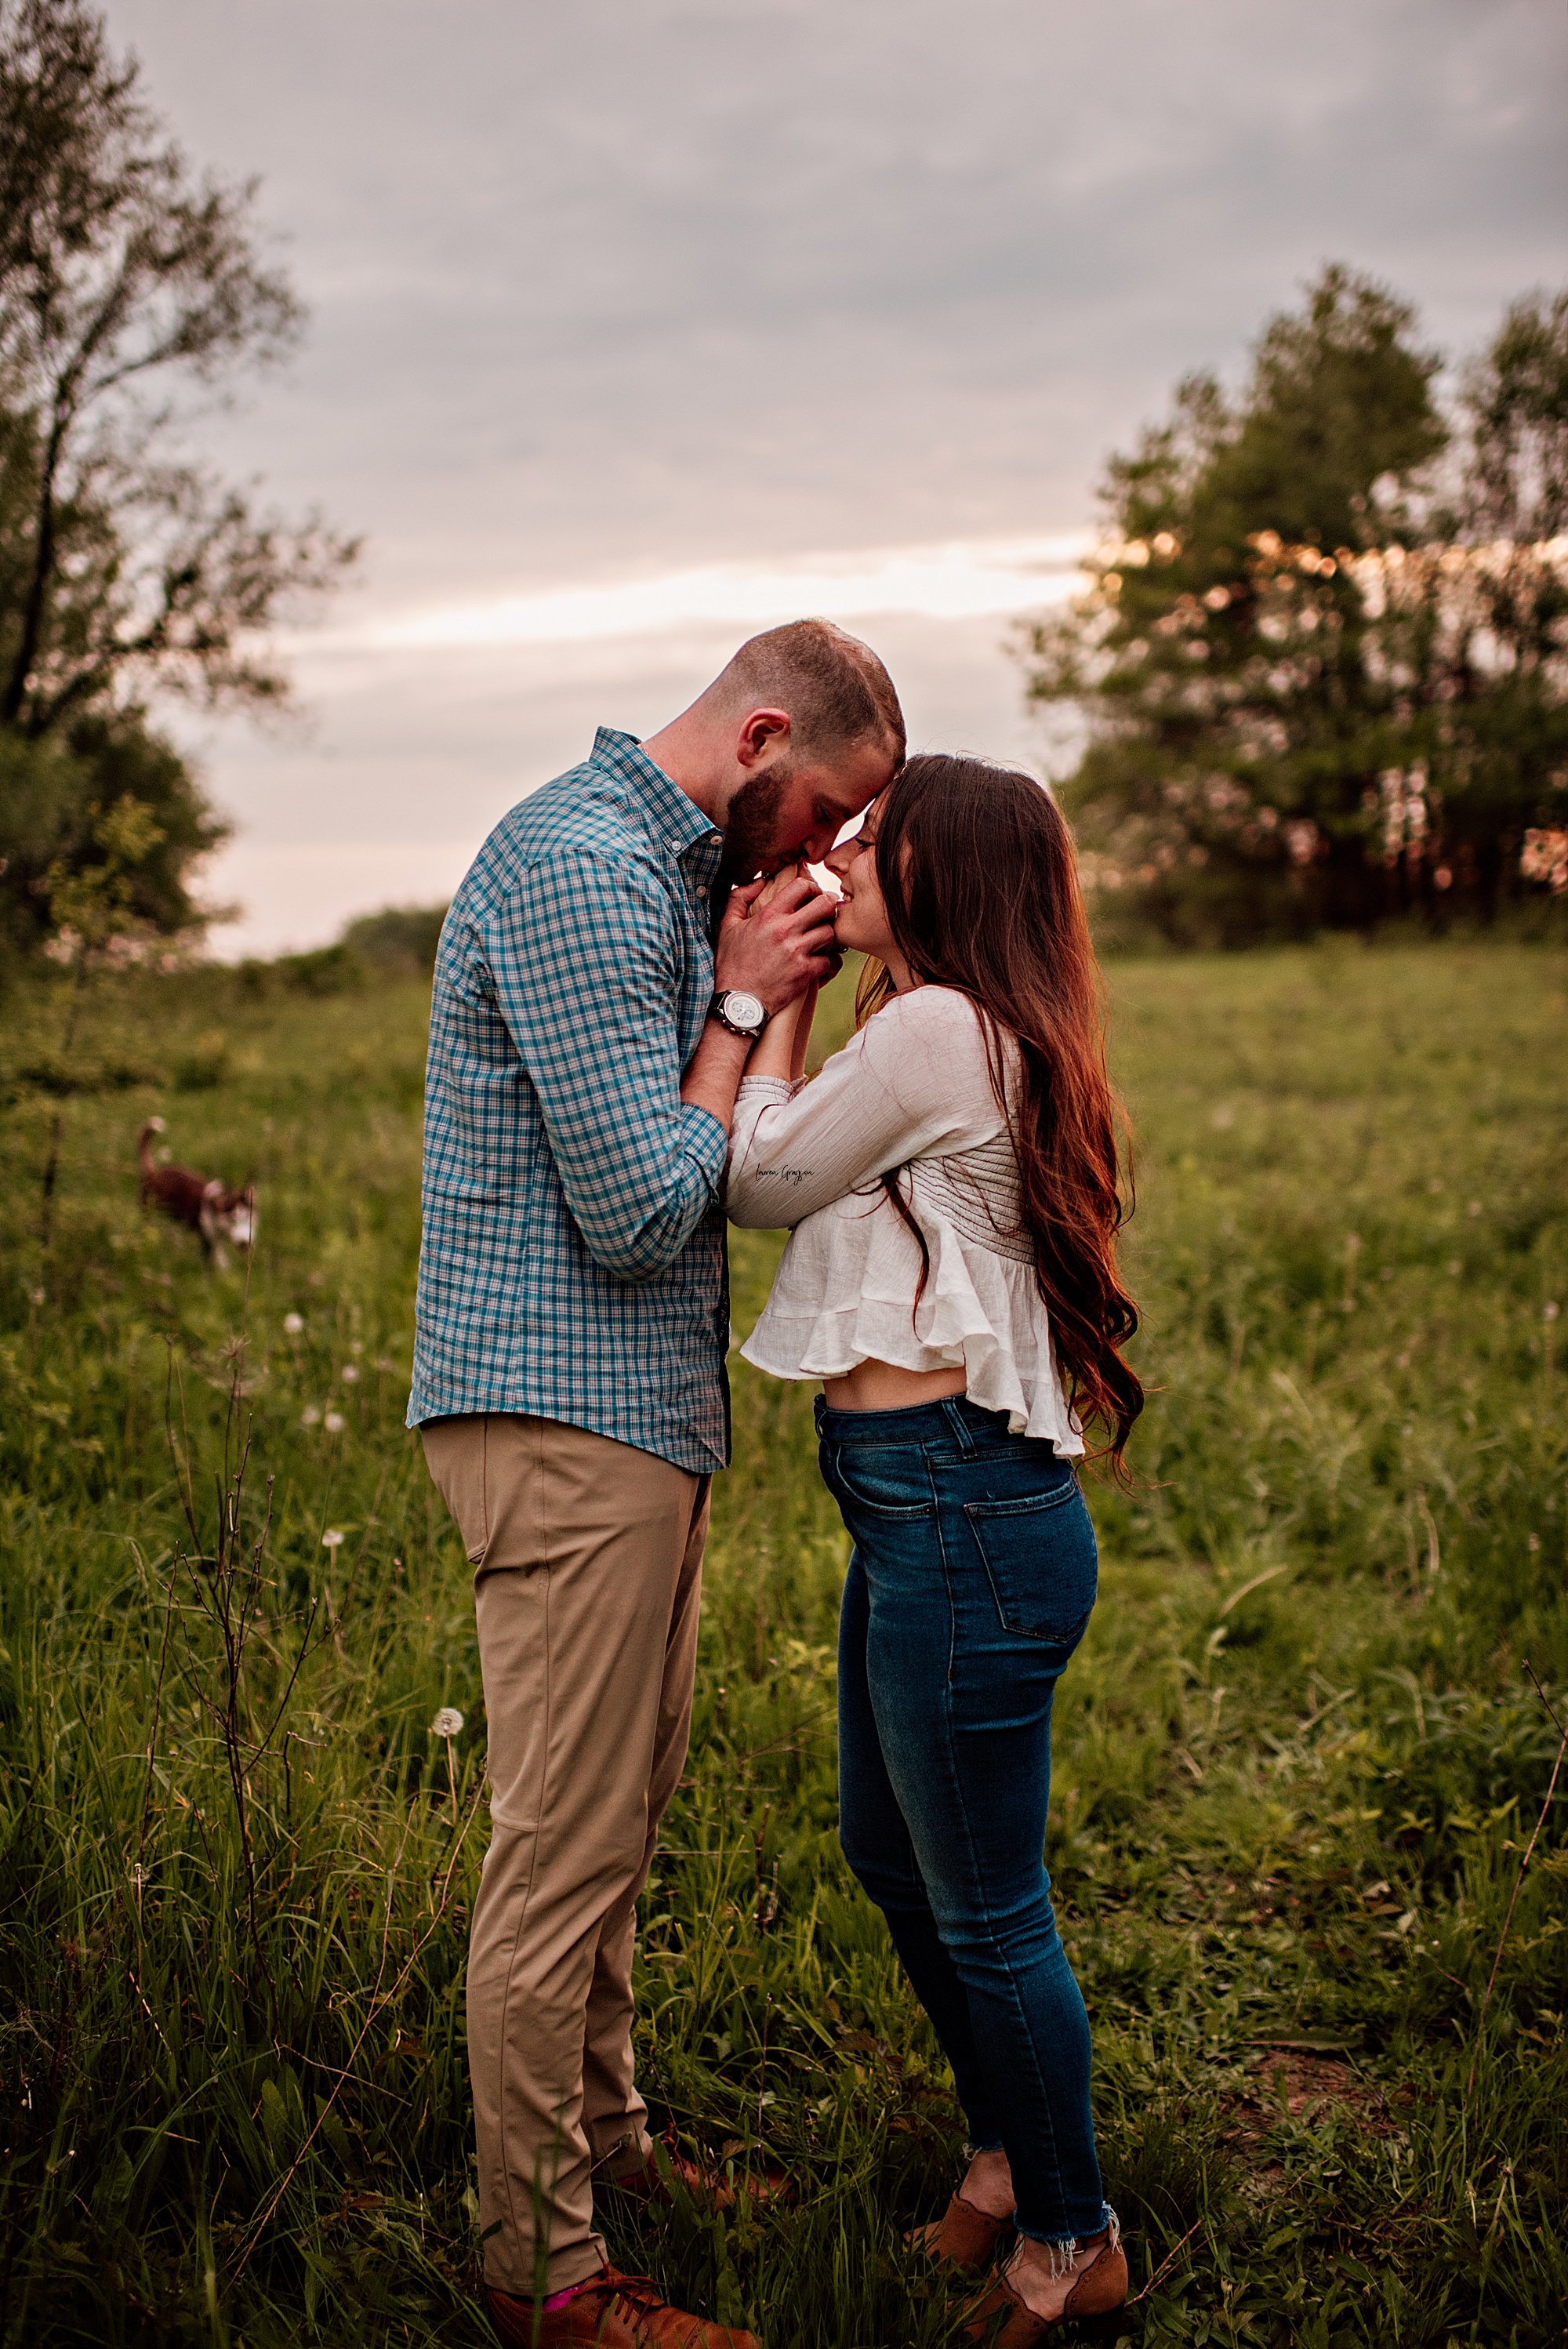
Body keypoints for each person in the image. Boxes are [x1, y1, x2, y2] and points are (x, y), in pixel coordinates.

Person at [409, 620, 904, 2349]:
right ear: (761, 732)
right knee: (556, 1852)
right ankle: (542, 2274)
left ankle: (605, 2144)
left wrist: (755, 985)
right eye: (824, 812)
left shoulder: (661, 873)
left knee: (619, 1813)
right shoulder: (581, 867)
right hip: (557, 1416)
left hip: (632, 1416)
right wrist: (746, 999)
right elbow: (634, 1206)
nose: (822, 858)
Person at [726, 755, 1143, 2346]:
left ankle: (1070, 2235)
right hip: (928, 1505)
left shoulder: (934, 1027)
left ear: (944, 867)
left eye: (871, 837)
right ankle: (1001, 2154)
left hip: (958, 1511)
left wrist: (762, 999)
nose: (841, 849)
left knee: (983, 1906)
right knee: (893, 1859)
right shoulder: (955, 1022)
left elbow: (763, 1175)